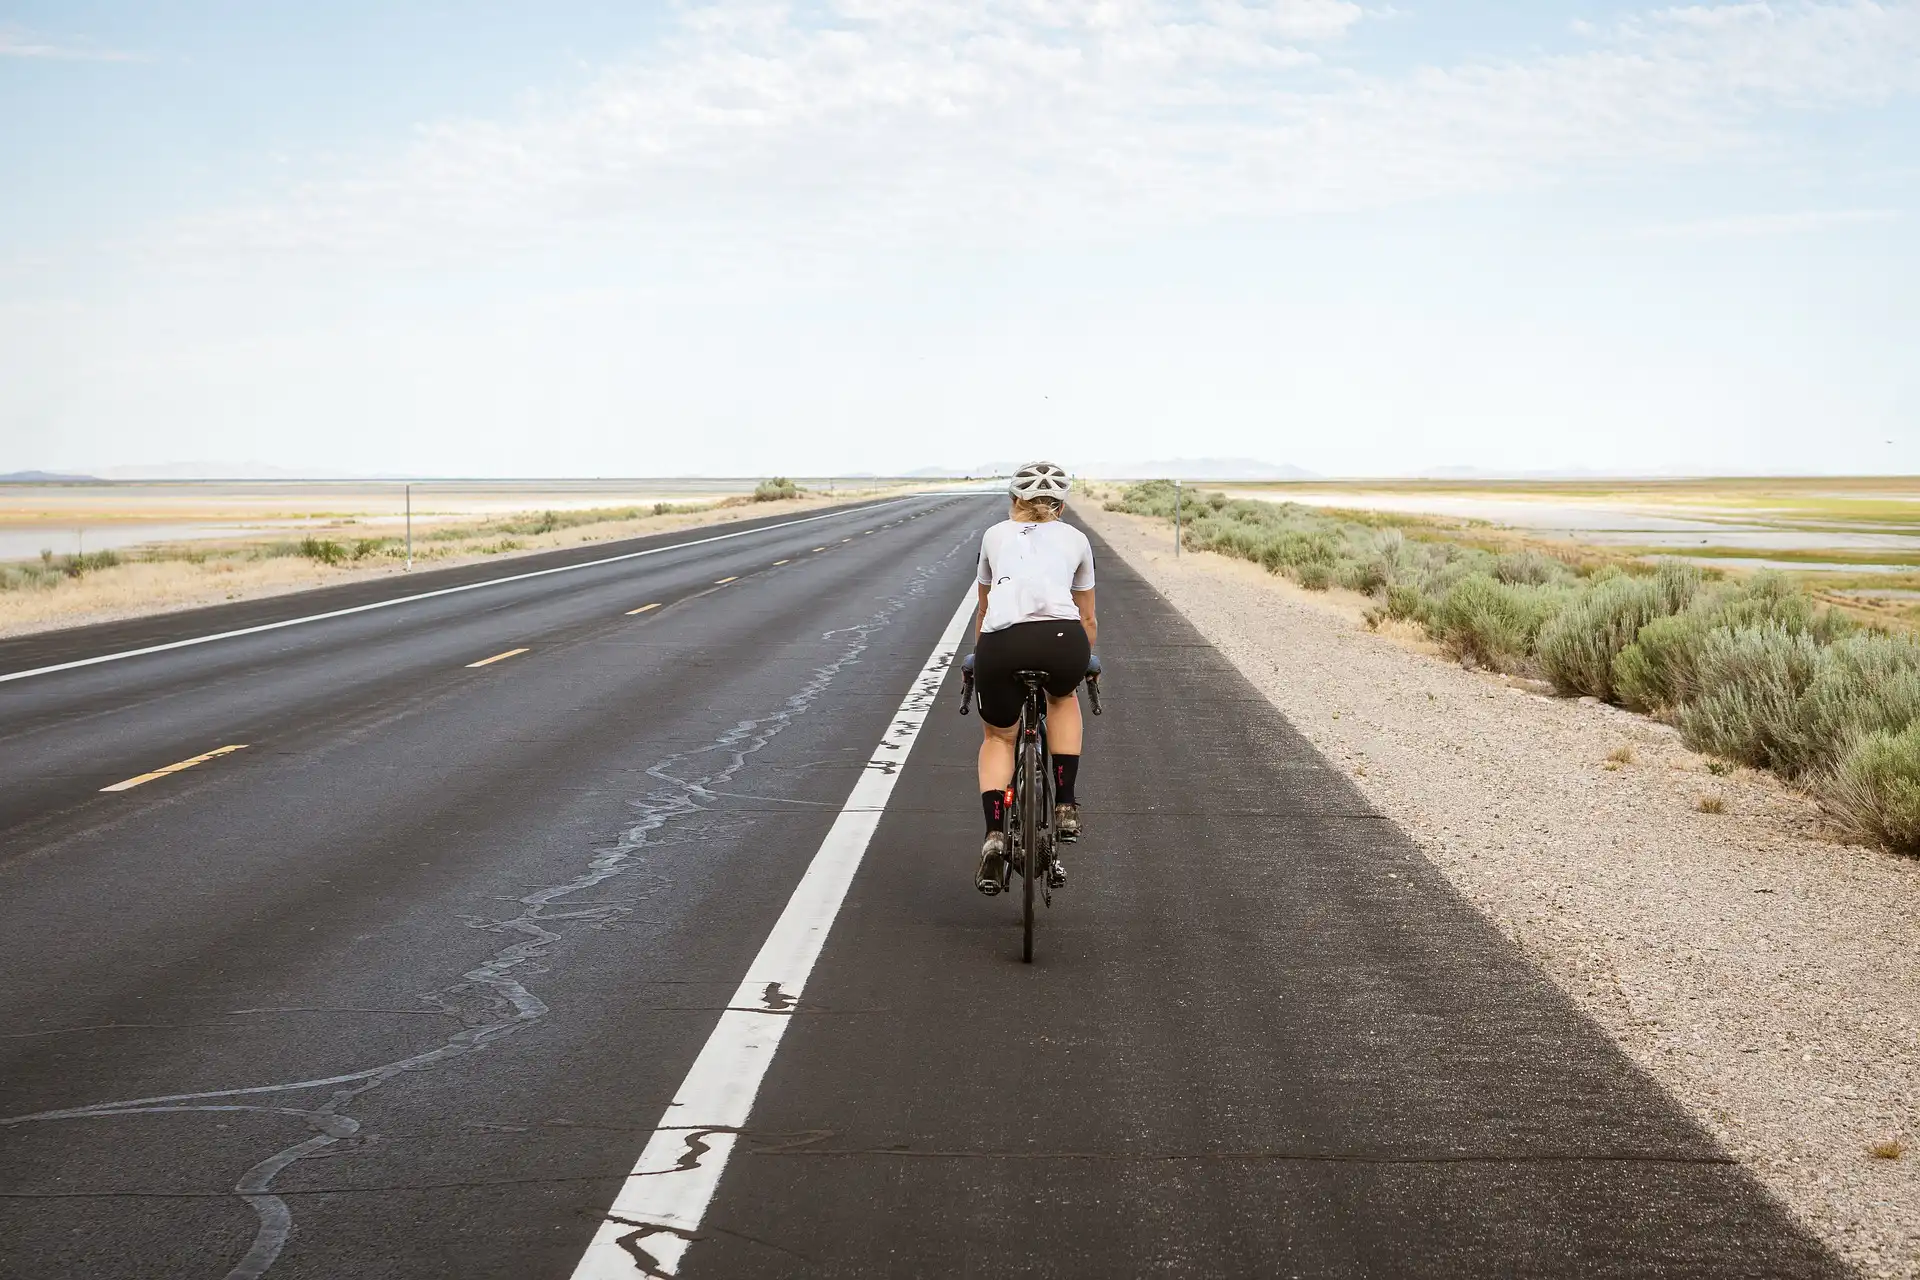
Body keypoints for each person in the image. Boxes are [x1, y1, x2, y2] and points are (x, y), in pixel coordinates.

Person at [969, 461, 1097, 896]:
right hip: (1063, 639)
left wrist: (978, 657)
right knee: (1062, 700)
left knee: (999, 738)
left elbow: (984, 610)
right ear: (1060, 505)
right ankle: (1064, 806)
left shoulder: (994, 535)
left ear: (1014, 500)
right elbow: (1088, 616)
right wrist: (1086, 660)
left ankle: (993, 836)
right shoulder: (1077, 539)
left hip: (1001, 644)